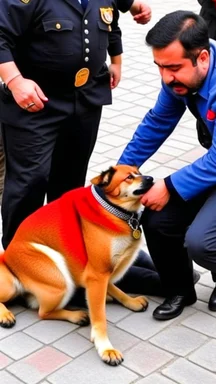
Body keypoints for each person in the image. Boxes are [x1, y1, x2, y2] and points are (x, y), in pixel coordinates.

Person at [118, 10, 216, 320]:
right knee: (157, 221)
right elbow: (159, 120)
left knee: (202, 242)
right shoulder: (179, 72)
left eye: (173, 68)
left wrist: (168, 186)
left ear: (202, 58)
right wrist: (122, 170)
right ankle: (180, 290)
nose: (166, 77)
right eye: (160, 67)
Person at [0, 0, 151, 250]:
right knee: (30, 182)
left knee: (70, 179)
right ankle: (20, 260)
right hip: (36, 100)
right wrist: (15, 81)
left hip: (86, 99)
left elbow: (110, 21)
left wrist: (116, 60)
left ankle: (61, 252)